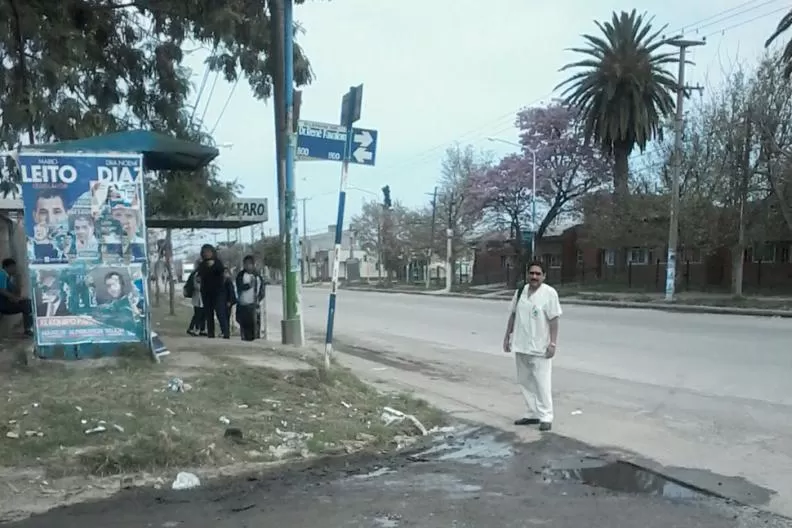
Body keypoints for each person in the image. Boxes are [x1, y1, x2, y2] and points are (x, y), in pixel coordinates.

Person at [502, 261, 562, 432]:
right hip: (521, 344)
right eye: (531, 273)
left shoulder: (549, 294)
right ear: (527, 275)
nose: (534, 276)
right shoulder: (520, 291)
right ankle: (532, 413)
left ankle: (546, 416)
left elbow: (554, 320)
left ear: (544, 276)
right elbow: (513, 315)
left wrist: (553, 343)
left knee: (542, 383)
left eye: (538, 274)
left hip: (540, 347)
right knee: (524, 381)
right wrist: (507, 337)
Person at [197, 244, 228, 338]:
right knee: (208, 313)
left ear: (213, 252)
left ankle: (225, 333)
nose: (207, 254)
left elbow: (222, 273)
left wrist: (213, 266)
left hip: (218, 292)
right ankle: (211, 333)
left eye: (208, 252)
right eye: (204, 252)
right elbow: (199, 275)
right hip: (206, 292)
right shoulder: (202, 264)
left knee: (220, 312)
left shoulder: (218, 263)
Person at [0, 258, 34, 336]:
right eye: (14, 267)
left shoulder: (8, 277)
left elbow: (16, 293)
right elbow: (2, 290)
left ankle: (28, 329)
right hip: (3, 305)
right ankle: (28, 329)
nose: (15, 269)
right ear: (9, 267)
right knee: (28, 305)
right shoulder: (2, 274)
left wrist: (18, 280)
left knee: (27, 302)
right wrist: (16, 299)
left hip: (6, 303)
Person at [235, 255, 265, 341]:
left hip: (254, 305)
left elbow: (262, 289)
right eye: (246, 264)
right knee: (244, 325)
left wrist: (259, 299)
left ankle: (255, 339)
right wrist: (248, 285)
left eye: (250, 264)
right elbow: (239, 287)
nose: (248, 266)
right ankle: (245, 339)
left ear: (253, 264)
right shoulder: (241, 275)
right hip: (243, 304)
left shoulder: (257, 276)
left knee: (255, 324)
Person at [184, 263, 206, 336]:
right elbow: (196, 286)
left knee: (203, 314)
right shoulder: (197, 275)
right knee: (197, 314)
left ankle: (202, 329)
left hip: (204, 298)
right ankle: (194, 328)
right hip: (198, 297)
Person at [223, 267, 237, 337]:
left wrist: (229, 301)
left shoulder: (228, 281)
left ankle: (226, 333)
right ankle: (225, 331)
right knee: (224, 317)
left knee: (226, 317)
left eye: (225, 272)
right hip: (223, 302)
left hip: (228, 302)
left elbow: (231, 292)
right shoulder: (223, 280)